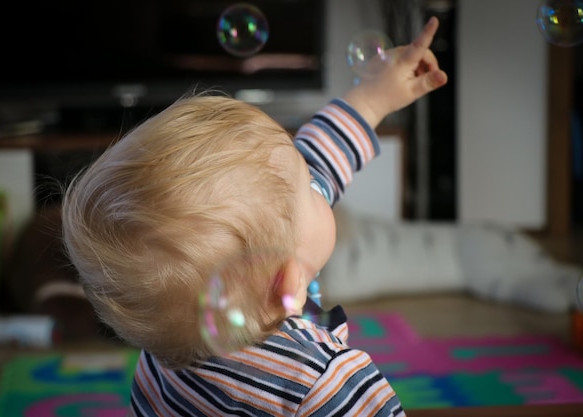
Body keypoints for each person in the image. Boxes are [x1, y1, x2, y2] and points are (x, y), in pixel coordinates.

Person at [61, 16, 447, 417]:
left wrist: (373, 99)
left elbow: (319, 159)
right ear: (289, 281)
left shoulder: (167, 344)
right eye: (308, 188)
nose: (318, 182)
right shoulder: (324, 384)